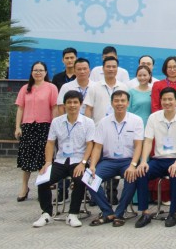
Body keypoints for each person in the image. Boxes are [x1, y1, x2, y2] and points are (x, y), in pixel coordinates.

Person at [32, 90, 95, 228]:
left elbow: (90, 144)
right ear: (64, 104)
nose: (72, 105)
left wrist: (83, 163)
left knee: (80, 179)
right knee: (43, 179)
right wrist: (48, 162)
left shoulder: (88, 122)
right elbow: (50, 143)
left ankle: (73, 214)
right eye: (69, 102)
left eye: (75, 102)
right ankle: (46, 213)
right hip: (60, 160)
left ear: (81, 104)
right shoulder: (56, 121)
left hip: (78, 160)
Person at [134, 87, 176, 228]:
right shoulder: (153, 117)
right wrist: (143, 161)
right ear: (160, 101)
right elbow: (148, 141)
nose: (167, 102)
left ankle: (172, 213)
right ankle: (145, 213)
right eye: (164, 99)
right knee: (142, 172)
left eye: (170, 99)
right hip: (158, 159)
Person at [86, 90, 144, 226]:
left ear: (128, 103)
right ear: (112, 103)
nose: (119, 104)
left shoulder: (136, 120)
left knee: (132, 178)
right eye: (116, 101)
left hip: (128, 161)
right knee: (89, 179)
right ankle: (107, 212)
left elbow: (138, 146)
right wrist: (92, 166)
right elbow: (97, 147)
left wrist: (133, 165)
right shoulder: (103, 122)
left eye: (123, 101)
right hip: (108, 161)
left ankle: (119, 213)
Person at [15, 61, 58, 201]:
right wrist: (17, 127)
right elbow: (20, 108)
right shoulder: (25, 88)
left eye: (41, 70)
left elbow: (54, 108)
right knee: (26, 158)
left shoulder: (51, 88)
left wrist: (54, 127)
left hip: (45, 127)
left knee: (43, 158)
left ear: (46, 72)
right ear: (31, 72)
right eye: (35, 70)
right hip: (28, 127)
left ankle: (43, 188)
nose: (38, 73)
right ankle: (24, 186)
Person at [84, 55, 129, 125]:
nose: (111, 69)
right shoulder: (94, 87)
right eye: (108, 66)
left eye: (114, 67)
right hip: (98, 127)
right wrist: (88, 126)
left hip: (118, 127)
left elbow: (126, 108)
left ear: (117, 69)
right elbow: (88, 109)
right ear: (103, 68)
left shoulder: (123, 87)